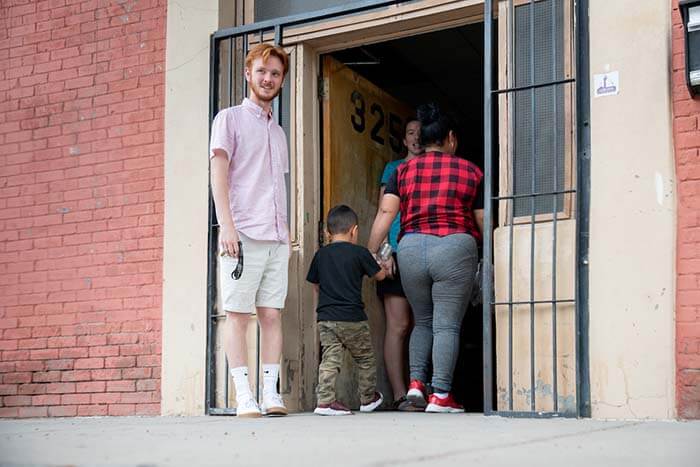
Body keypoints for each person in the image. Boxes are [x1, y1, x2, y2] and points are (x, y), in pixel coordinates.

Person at [368, 103, 484, 413]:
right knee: (446, 326)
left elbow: (385, 212)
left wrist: (371, 250)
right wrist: (489, 254)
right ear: (451, 139)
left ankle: (416, 385)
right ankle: (442, 394)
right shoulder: (471, 171)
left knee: (422, 322)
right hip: (454, 247)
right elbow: (483, 219)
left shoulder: (402, 172)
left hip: (411, 249)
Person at [209, 43, 291, 418]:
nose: (268, 78)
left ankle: (270, 394)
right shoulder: (228, 119)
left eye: (275, 74)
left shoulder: (279, 133)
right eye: (261, 71)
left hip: (276, 237)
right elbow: (219, 173)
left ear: (281, 80)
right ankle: (244, 396)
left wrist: (286, 235)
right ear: (248, 74)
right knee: (238, 315)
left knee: (272, 315)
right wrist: (226, 225)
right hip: (242, 233)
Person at [307, 205, 386, 415]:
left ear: (327, 233)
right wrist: (381, 263)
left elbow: (315, 284)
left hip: (326, 318)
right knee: (365, 358)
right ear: (354, 230)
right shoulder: (360, 253)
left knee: (330, 359)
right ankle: (368, 399)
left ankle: (324, 402)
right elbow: (380, 276)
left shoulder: (320, 255)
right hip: (352, 318)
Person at [373, 118, 424, 411]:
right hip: (395, 253)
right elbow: (384, 212)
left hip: (423, 249)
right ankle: (399, 394)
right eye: (410, 133)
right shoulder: (393, 170)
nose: (415, 138)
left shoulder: (432, 167)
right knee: (399, 325)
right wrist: (382, 250)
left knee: (422, 324)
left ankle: (422, 389)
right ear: (403, 140)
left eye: (419, 133)